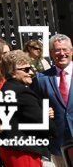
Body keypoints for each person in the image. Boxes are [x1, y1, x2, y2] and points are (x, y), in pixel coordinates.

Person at [0, 49, 50, 166]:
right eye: (26, 69)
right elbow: (41, 121)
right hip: (24, 151)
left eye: (31, 68)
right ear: (12, 72)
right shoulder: (21, 91)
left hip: (14, 149)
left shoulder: (6, 89)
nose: (31, 72)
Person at [35, 34, 73, 167]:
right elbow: (34, 106)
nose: (62, 53)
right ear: (51, 53)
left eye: (65, 49)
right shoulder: (41, 78)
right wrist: (43, 112)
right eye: (57, 50)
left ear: (71, 51)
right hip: (58, 145)